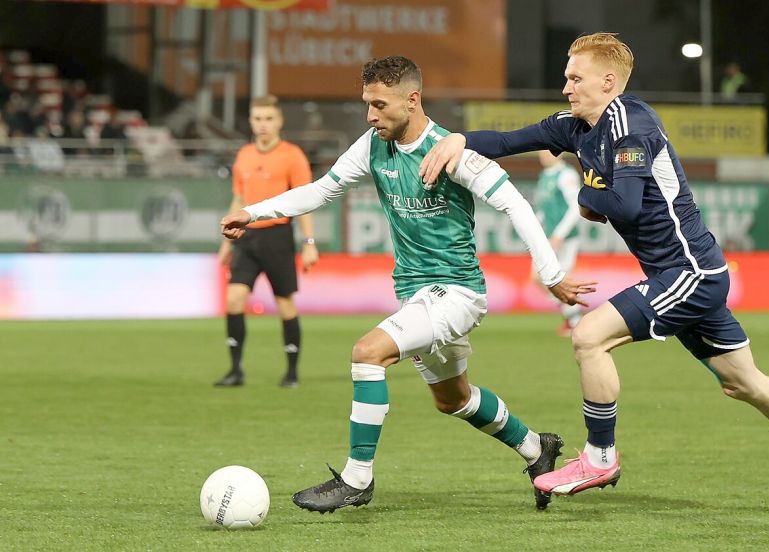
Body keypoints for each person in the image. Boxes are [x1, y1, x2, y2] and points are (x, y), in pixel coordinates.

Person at [419, 32, 769, 516]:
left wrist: (588, 197)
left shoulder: (633, 121)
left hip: (689, 271)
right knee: (743, 382)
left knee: (589, 337)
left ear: (608, 82)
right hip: (688, 273)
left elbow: (621, 204)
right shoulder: (577, 128)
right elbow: (507, 141)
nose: (565, 87)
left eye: (574, 78)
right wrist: (455, 139)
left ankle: (599, 457)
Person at [220, 56, 596, 512]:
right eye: (367, 104)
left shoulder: (451, 151)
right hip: (416, 294)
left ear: (412, 100)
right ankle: (538, 449)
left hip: (456, 293)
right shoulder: (371, 146)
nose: (370, 115)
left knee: (367, 353)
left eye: (379, 104)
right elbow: (321, 190)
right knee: (453, 400)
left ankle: (358, 478)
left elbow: (515, 204)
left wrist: (552, 274)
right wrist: (253, 212)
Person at [214, 95, 319, 388]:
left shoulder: (292, 155)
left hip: (277, 236)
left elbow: (305, 201)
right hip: (247, 238)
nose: (263, 125)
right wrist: (226, 243)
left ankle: (292, 372)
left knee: (285, 303)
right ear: (251, 121)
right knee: (234, 298)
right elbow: (239, 196)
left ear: (279, 121)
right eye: (258, 119)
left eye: (268, 119)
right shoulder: (244, 154)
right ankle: (235, 370)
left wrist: (309, 241)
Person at [534, 150, 584, 335]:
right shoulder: (545, 175)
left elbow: (575, 207)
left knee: (557, 278)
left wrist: (560, 234)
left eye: (547, 150)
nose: (543, 154)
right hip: (547, 237)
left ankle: (575, 319)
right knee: (538, 278)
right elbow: (543, 209)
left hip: (565, 238)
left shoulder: (566, 175)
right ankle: (573, 313)